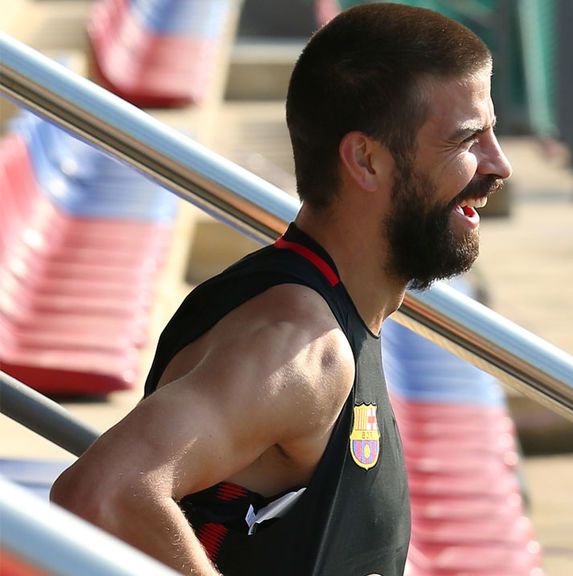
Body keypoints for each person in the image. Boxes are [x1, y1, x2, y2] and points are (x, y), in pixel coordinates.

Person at [49, 4, 512, 575]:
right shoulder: (295, 345)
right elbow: (105, 493)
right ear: (367, 160)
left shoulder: (326, 313)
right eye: (467, 139)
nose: (500, 164)